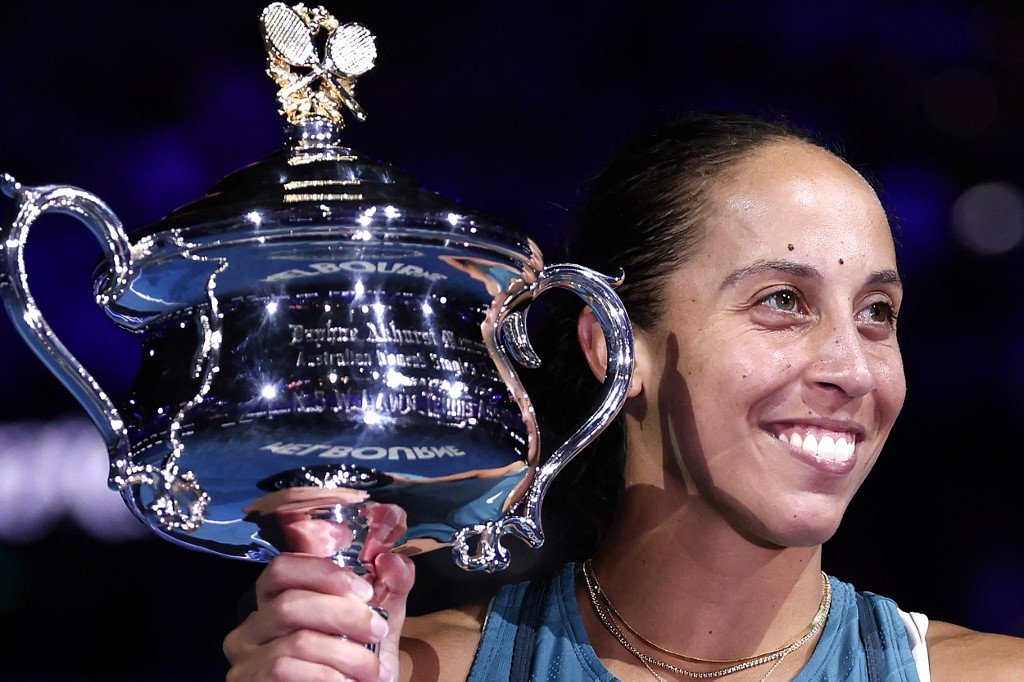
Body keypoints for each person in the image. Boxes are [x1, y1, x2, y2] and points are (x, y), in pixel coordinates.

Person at [222, 113, 1024, 681]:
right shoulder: (410, 672)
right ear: (612, 342)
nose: (853, 370)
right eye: (783, 300)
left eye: (878, 314)